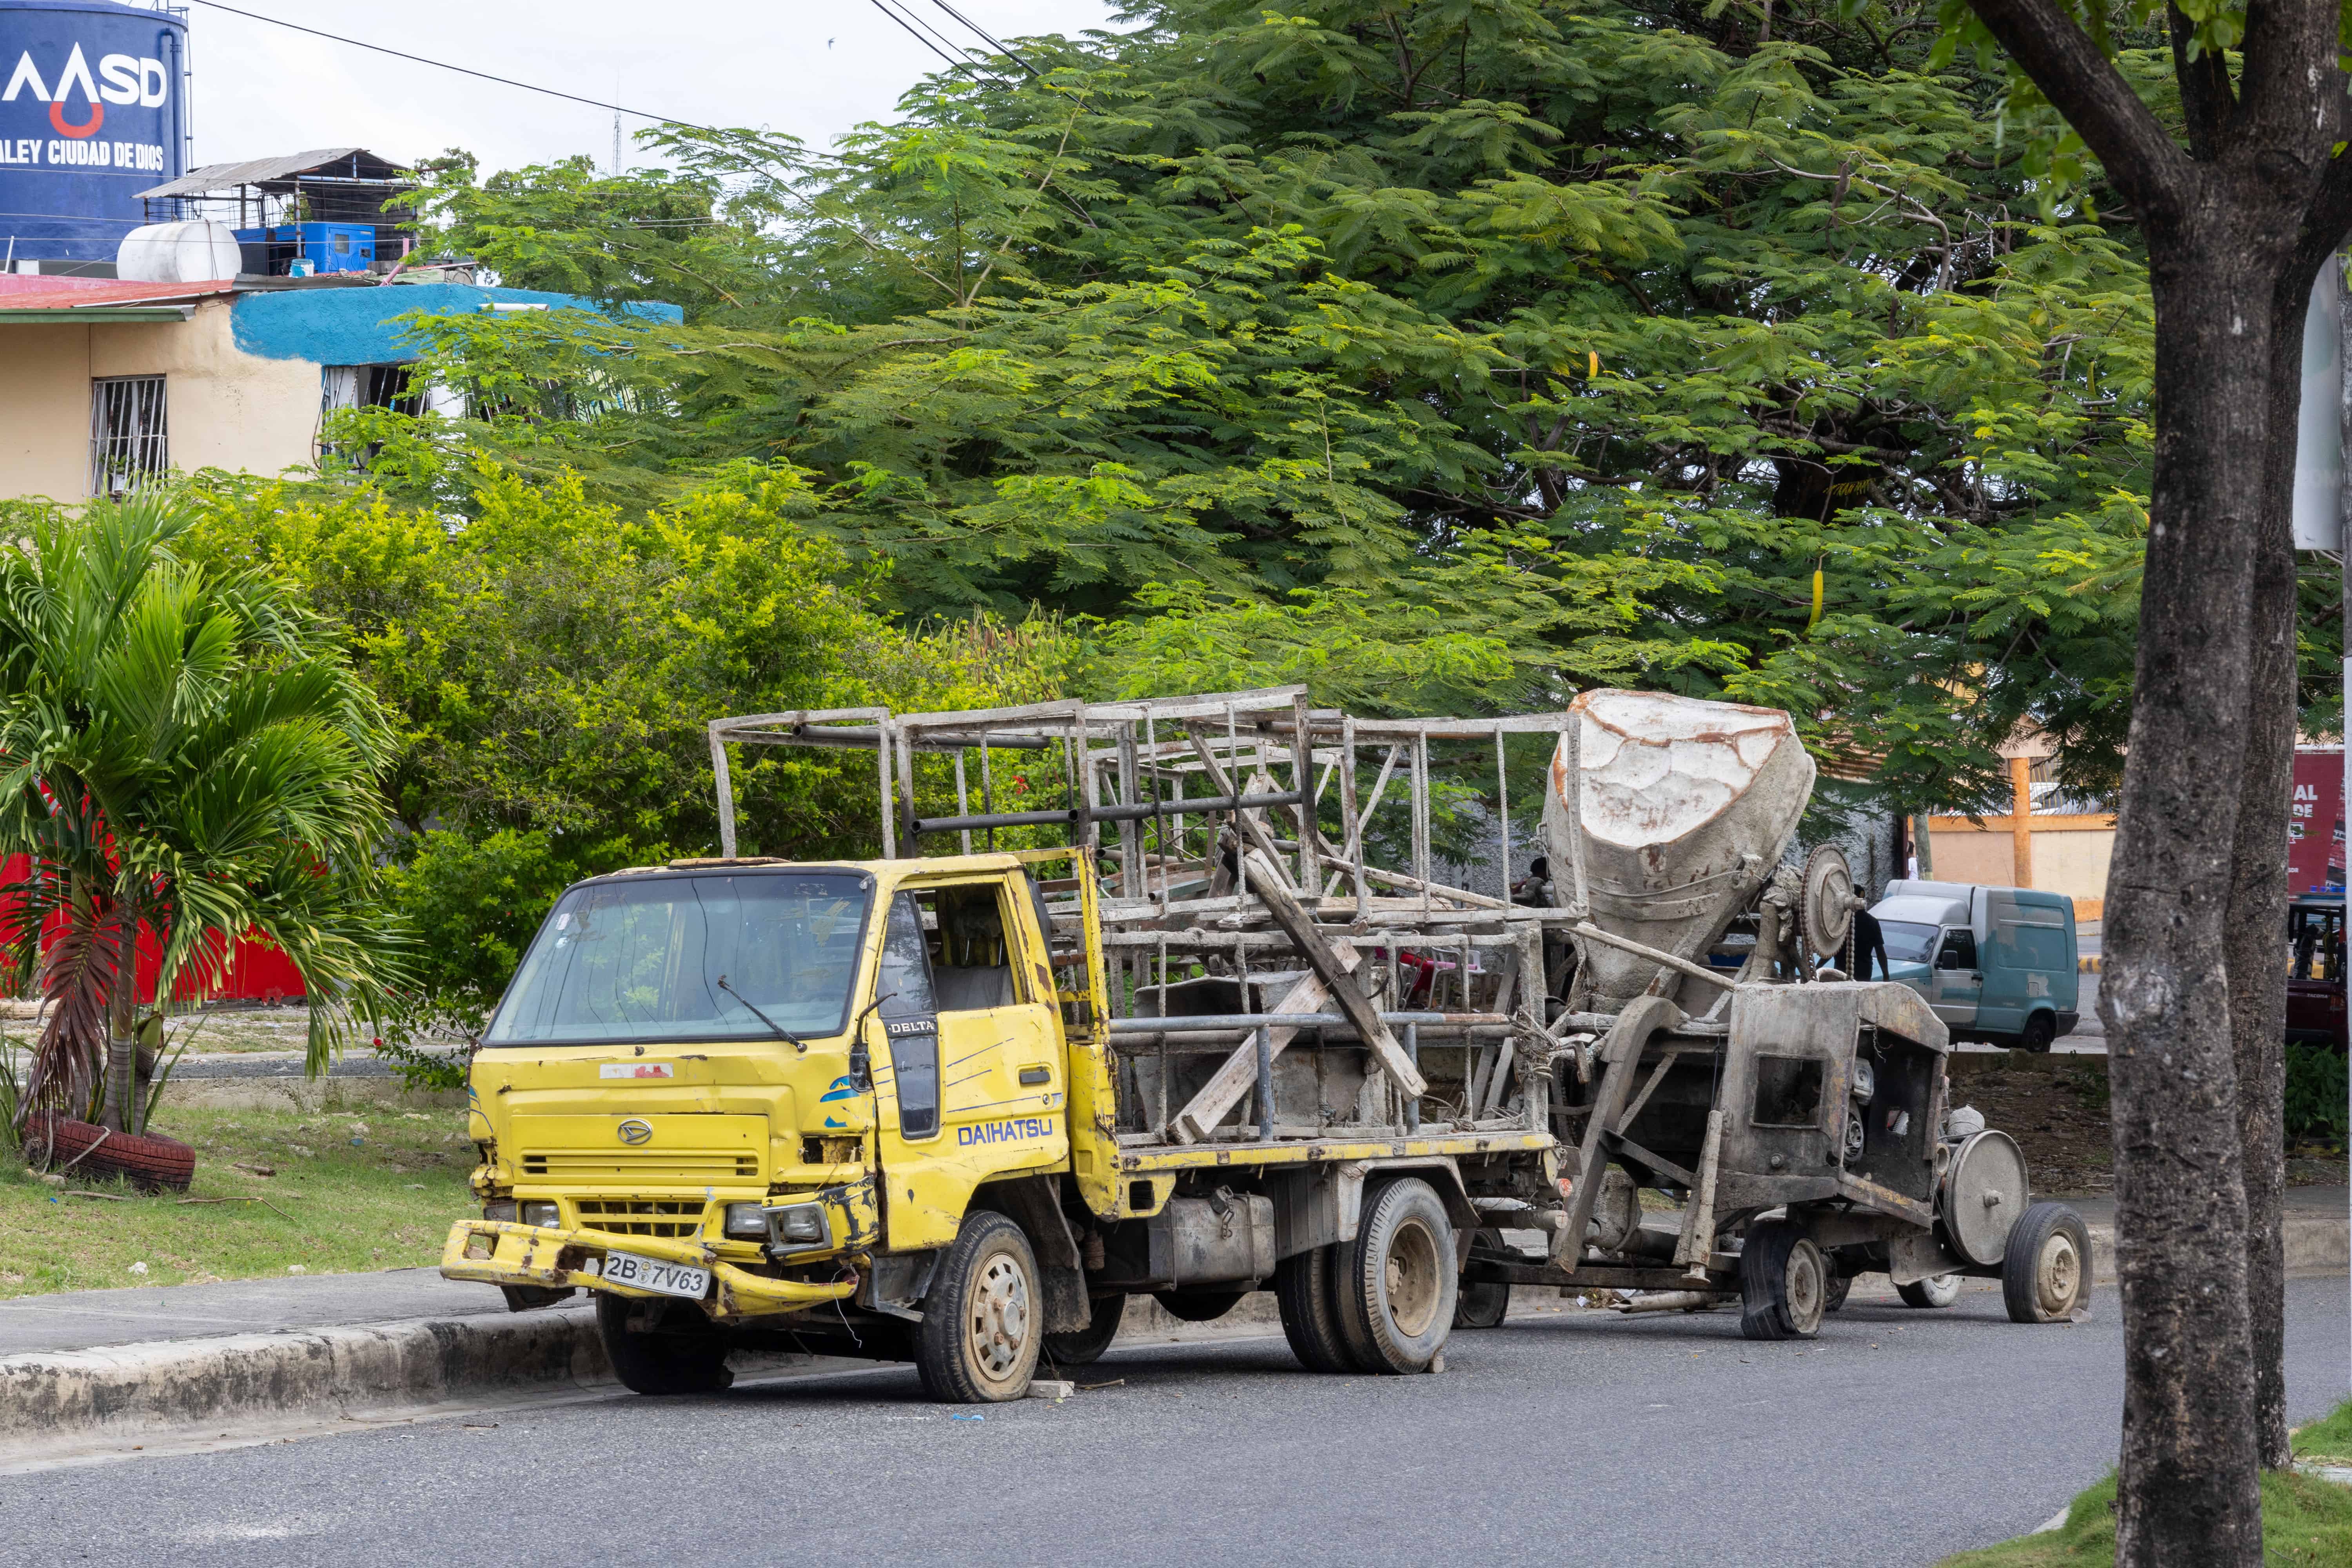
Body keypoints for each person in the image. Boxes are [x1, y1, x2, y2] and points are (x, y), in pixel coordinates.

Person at [1851, 900, 1890, 980]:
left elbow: (1832, 947)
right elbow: (1880, 951)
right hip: (1864, 972)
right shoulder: (1872, 922)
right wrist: (1886, 975)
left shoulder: (1843, 921)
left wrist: (1819, 966)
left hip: (1841, 969)